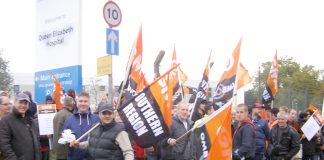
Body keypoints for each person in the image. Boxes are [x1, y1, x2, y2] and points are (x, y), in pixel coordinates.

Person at [70, 103, 134, 159]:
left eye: (109, 113)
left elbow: (128, 152)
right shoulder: (94, 127)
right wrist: (79, 145)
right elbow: (90, 143)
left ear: (113, 115)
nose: (107, 116)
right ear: (99, 114)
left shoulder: (120, 131)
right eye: (104, 113)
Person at [0, 93, 40, 160]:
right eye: (20, 102)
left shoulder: (30, 121)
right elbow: (5, 145)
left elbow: (36, 140)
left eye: (25, 103)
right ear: (15, 103)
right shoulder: (6, 121)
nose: (23, 105)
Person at [61, 92, 100, 160]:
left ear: (89, 103)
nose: (83, 104)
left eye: (85, 101)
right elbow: (62, 136)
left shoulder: (97, 119)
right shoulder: (69, 120)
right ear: (76, 102)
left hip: (92, 157)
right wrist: (68, 139)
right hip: (74, 157)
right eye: (80, 101)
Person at [53, 96, 74, 160]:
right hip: (65, 148)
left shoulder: (57, 114)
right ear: (71, 104)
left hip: (57, 146)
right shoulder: (69, 115)